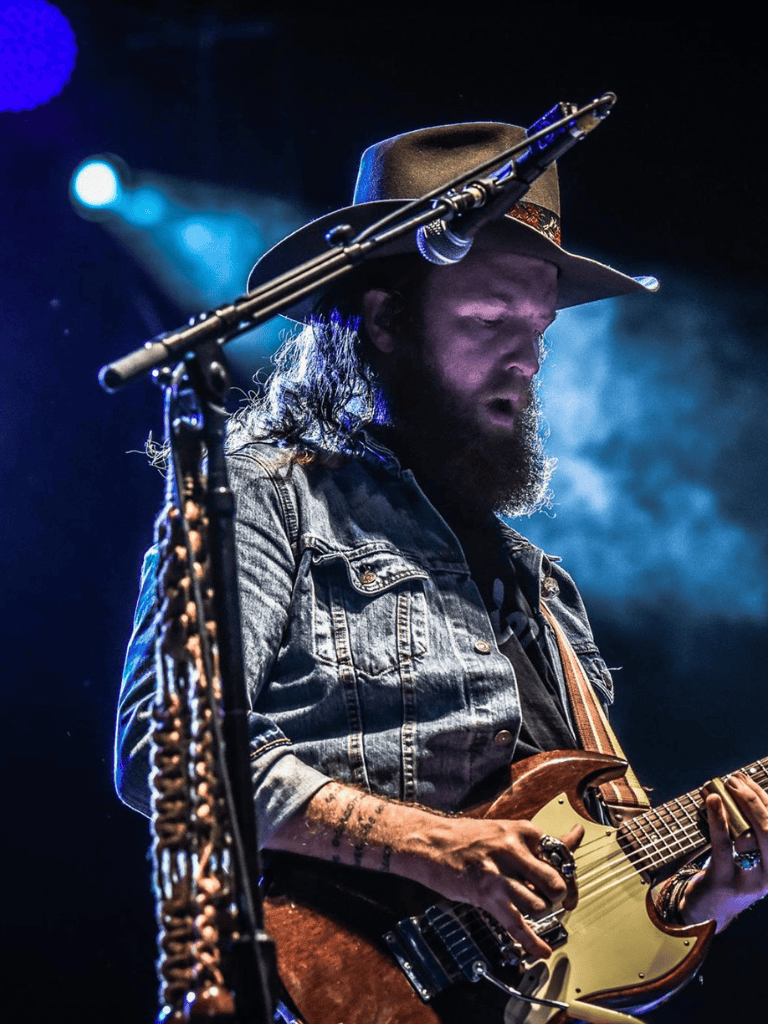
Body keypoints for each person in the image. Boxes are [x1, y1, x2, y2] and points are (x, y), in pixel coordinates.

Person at [116, 121, 768, 992]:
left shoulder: (545, 591)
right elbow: (172, 749)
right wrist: (432, 847)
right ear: (385, 319)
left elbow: (589, 931)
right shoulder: (269, 497)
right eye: (492, 318)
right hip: (328, 987)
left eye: (538, 327)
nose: (529, 359)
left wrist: (705, 903)